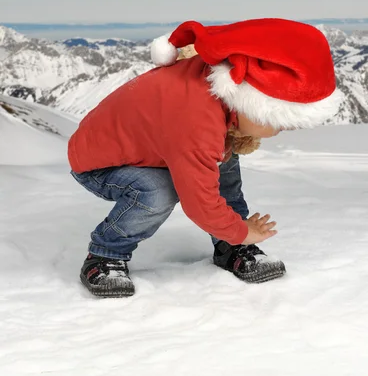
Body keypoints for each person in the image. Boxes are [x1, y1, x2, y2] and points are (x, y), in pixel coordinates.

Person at [68, 18, 341, 297]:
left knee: (224, 157)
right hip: (102, 165)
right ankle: (104, 256)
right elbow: (200, 202)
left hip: (148, 149)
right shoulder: (197, 122)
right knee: (158, 191)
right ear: (254, 102)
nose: (279, 131)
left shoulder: (217, 92)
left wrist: (234, 231)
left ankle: (228, 247)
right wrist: (243, 231)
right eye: (279, 122)